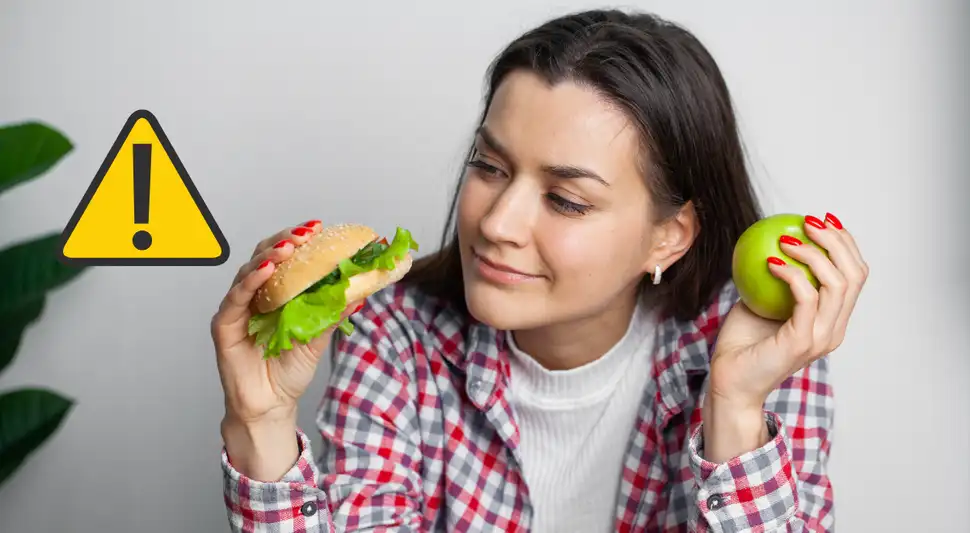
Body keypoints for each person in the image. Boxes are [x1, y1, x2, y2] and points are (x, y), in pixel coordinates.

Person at [211, 8, 868, 533]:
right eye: (490, 166)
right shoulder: (395, 331)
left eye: (565, 199)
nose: (497, 223)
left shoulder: (761, 347)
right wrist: (259, 421)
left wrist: (735, 407)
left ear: (668, 237)